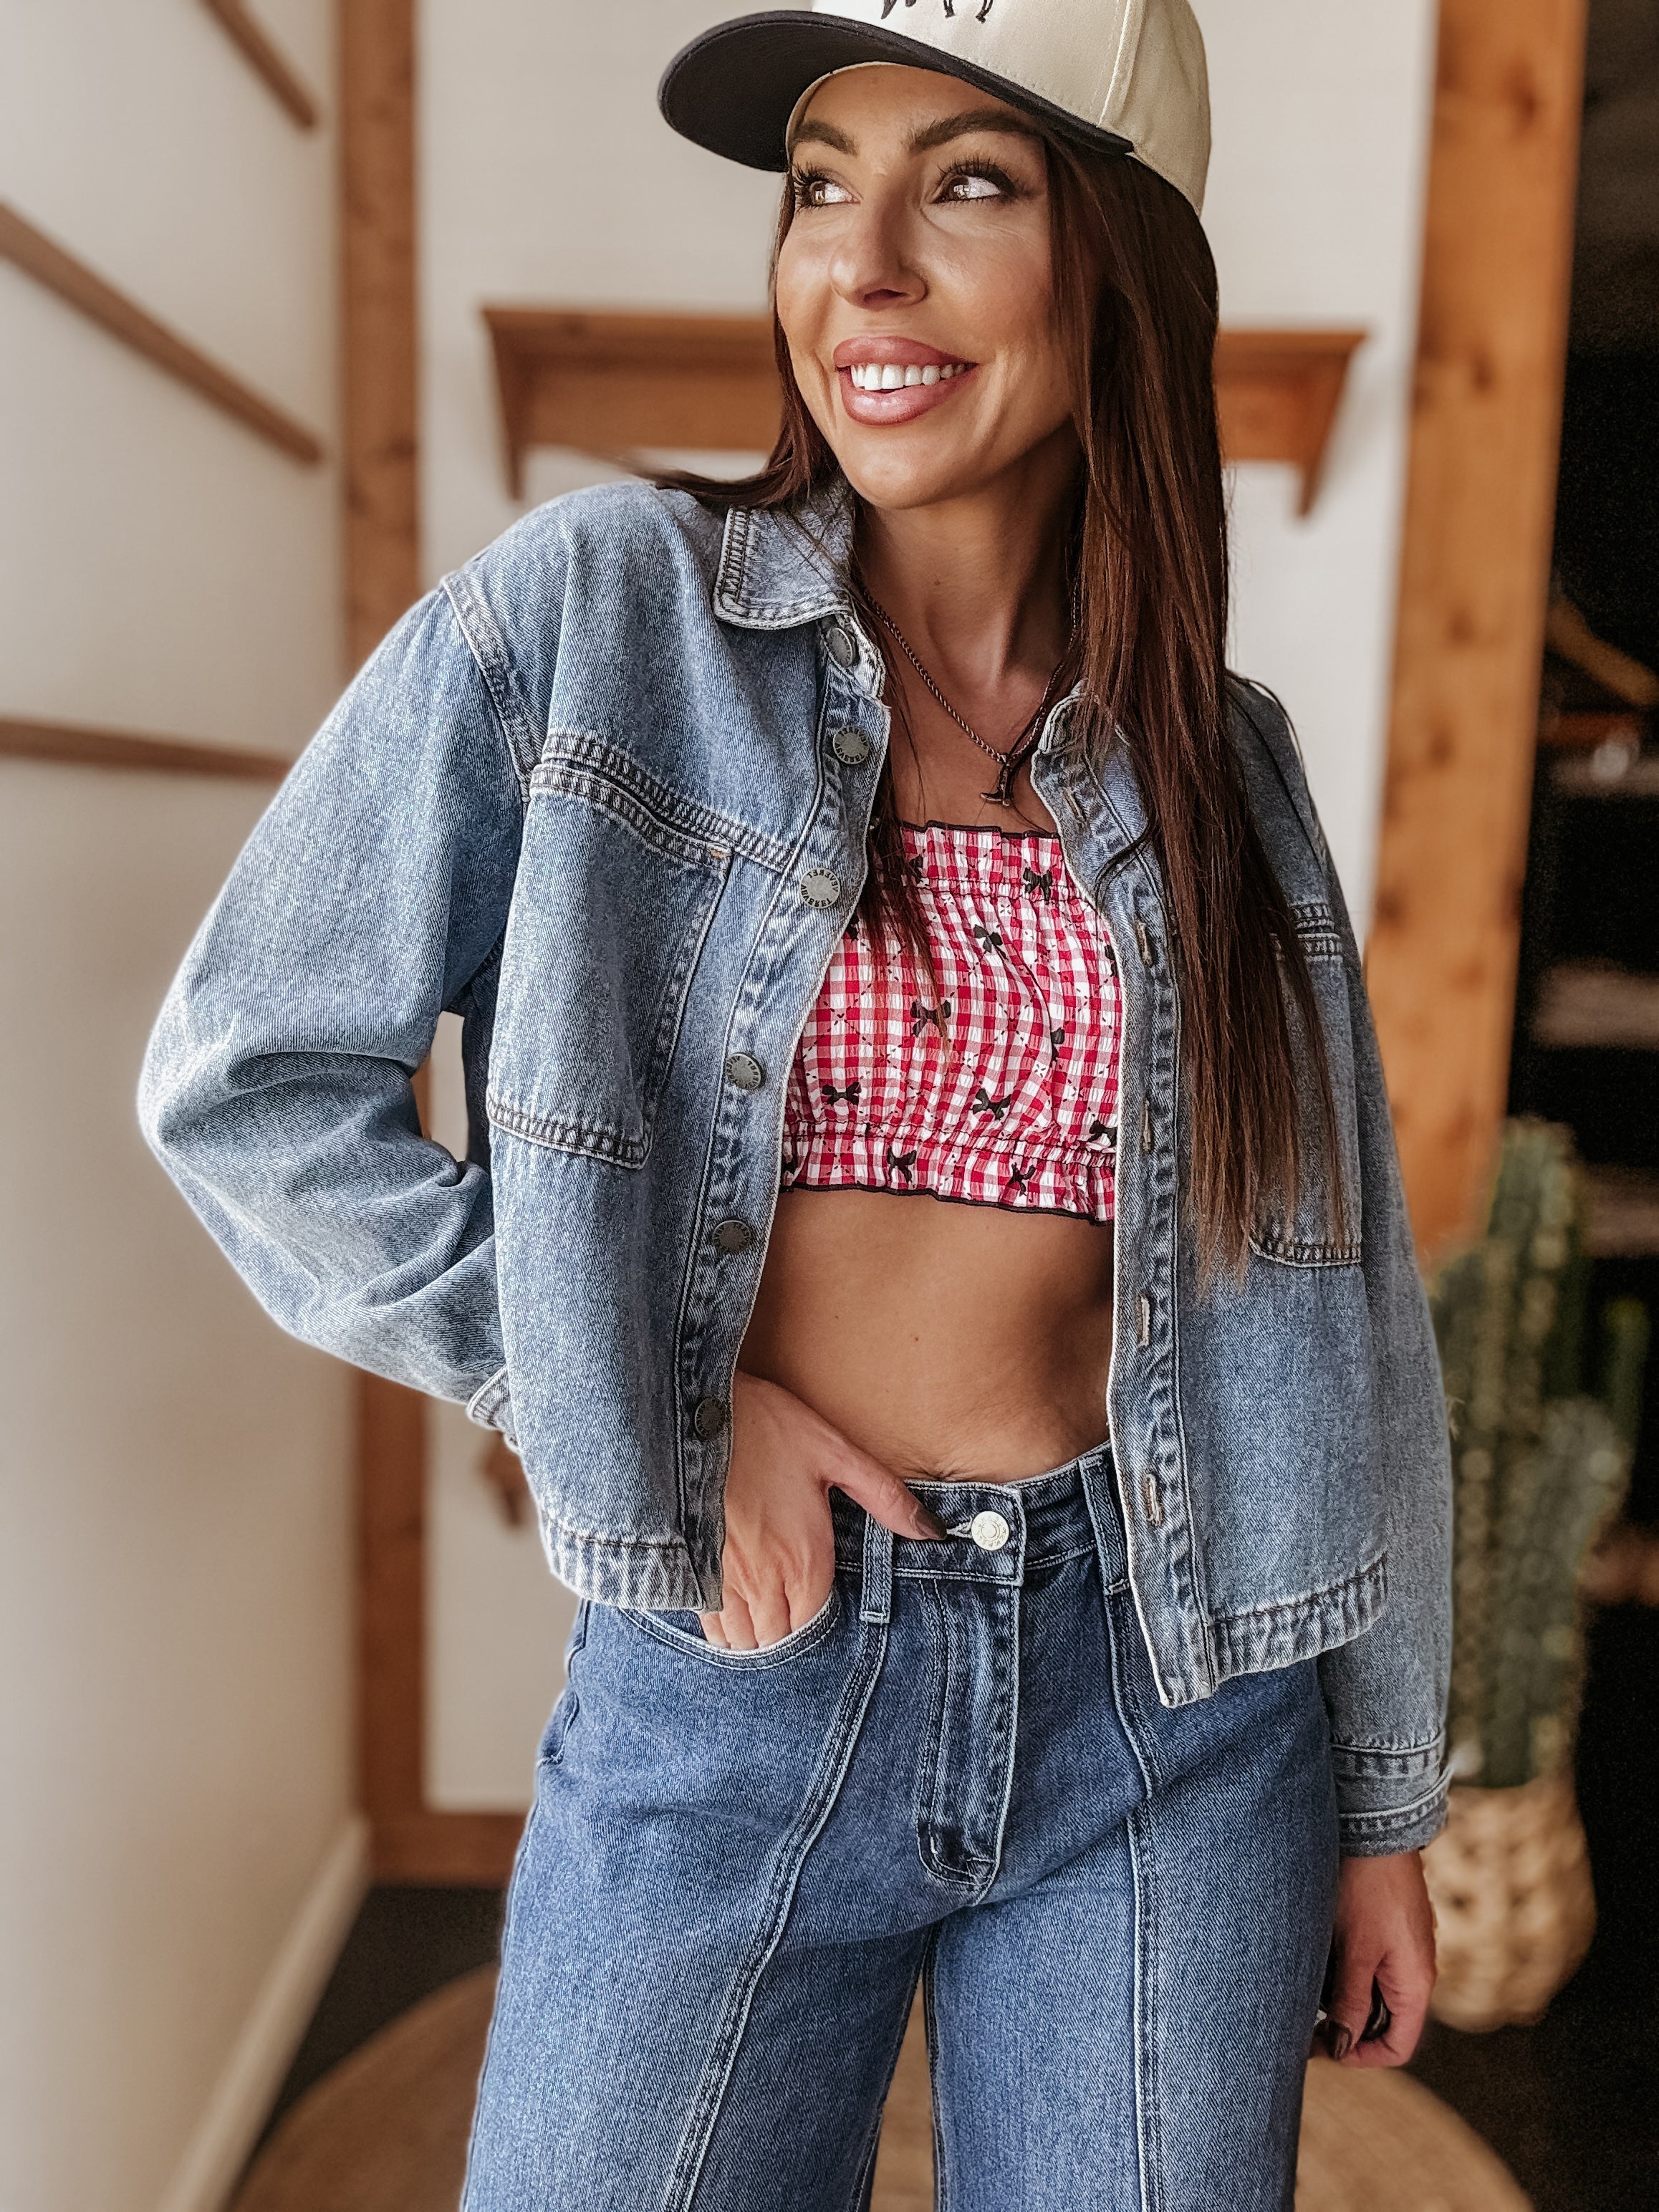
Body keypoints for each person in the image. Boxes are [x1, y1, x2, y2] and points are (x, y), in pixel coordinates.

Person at [140, 4, 1451, 2205]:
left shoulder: (1228, 770)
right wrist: (655, 1404)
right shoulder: (598, 617)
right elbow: (250, 1084)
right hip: (747, 1680)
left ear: (1114, 257)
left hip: (1174, 1700)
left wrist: (1383, 1793)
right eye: (818, 182)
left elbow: (1340, 1300)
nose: (859, 266)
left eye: (964, 184)